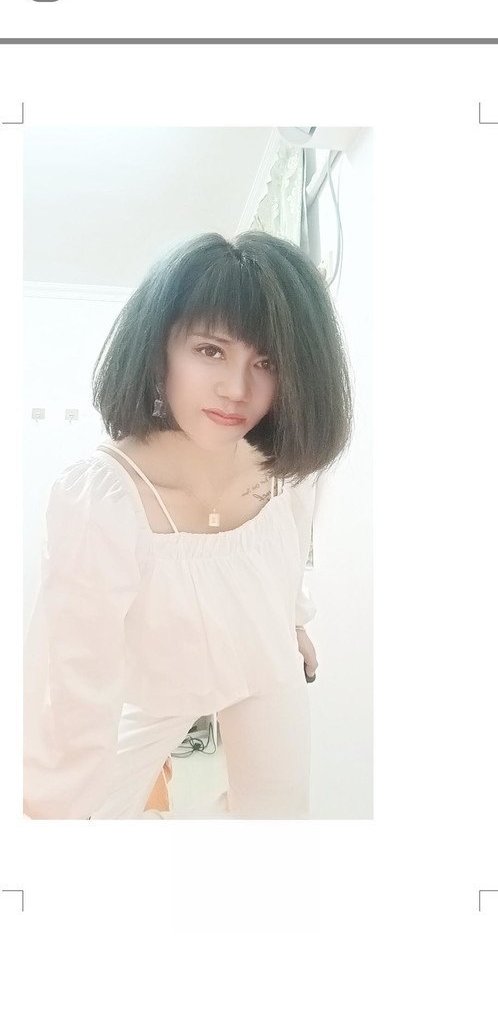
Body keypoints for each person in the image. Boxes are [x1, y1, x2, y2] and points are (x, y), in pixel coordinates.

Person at [23, 230, 353, 820]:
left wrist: (294, 622)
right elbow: (73, 685)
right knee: (86, 809)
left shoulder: (288, 472)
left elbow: (287, 558)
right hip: (153, 682)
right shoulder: (103, 498)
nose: (236, 389)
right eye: (210, 351)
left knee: (279, 815)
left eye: (266, 362)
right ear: (159, 349)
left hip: (264, 660)